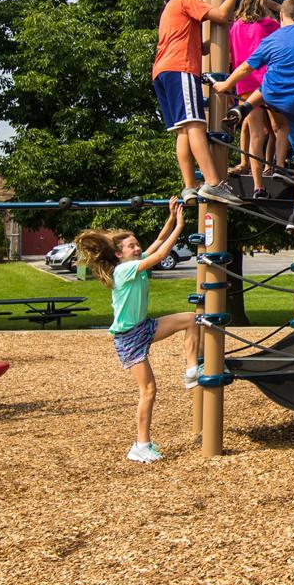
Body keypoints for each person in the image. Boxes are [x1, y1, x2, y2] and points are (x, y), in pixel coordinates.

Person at [74, 198, 199, 464]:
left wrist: (170, 218)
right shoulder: (124, 270)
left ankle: (191, 370)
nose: (137, 247)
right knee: (149, 390)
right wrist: (180, 226)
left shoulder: (135, 262)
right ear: (119, 254)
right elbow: (161, 255)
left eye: (137, 244)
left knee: (191, 319)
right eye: (131, 246)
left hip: (144, 327)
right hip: (128, 338)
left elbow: (158, 242)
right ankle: (140, 445)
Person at [215, 0, 294, 230]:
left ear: (282, 17)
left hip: (272, 94)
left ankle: (242, 108)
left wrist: (225, 85)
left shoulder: (272, 38)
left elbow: (246, 67)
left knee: (267, 84)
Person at [153, 0, 247, 206]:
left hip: (162, 71)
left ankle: (189, 186)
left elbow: (201, 49)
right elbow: (221, 15)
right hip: (180, 68)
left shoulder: (168, 12)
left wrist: (220, 36)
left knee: (183, 130)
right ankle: (213, 183)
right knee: (196, 124)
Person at [227, 0, 282, 194]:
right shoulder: (269, 24)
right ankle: (278, 167)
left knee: (256, 134)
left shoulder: (234, 28)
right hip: (267, 80)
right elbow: (286, 31)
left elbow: (232, 56)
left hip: (244, 83)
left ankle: (258, 185)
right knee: (279, 127)